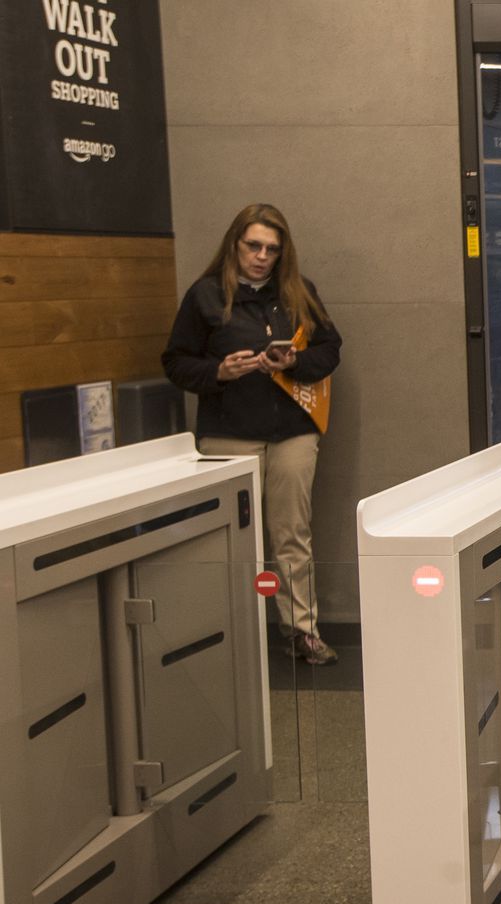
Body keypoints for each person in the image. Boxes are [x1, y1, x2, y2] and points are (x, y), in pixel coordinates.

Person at [163, 203, 343, 666]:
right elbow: (176, 362)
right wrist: (218, 371)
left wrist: (295, 363)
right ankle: (221, 637)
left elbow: (330, 349)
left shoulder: (300, 293)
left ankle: (303, 633)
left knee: (292, 534)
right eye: (253, 246)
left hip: (292, 432)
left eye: (271, 249)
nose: (262, 256)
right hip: (229, 432)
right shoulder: (205, 296)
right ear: (235, 245)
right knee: (225, 540)